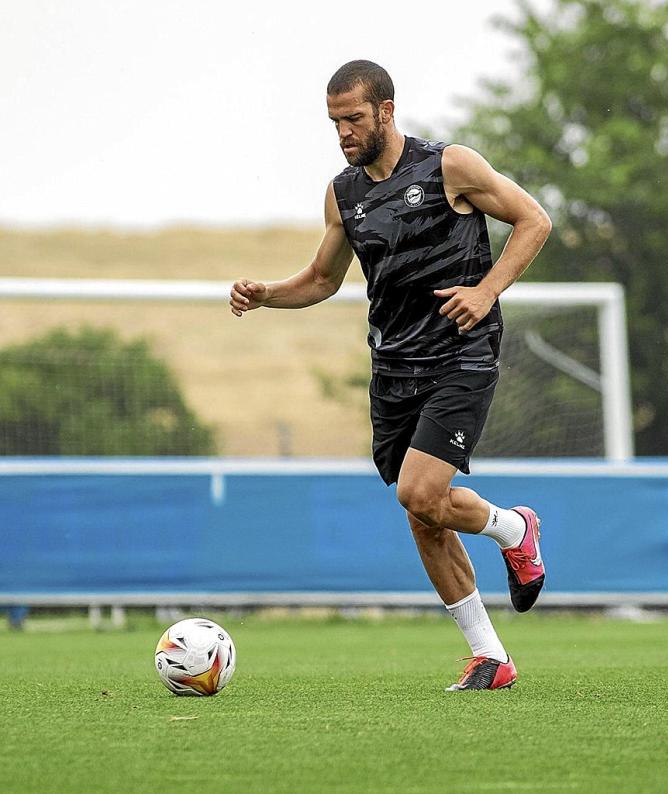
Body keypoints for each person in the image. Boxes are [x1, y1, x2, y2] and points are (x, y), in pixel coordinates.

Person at [230, 60, 551, 691]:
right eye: (334, 122)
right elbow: (323, 279)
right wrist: (268, 293)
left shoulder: (449, 166)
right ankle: (491, 655)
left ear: (386, 110)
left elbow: (534, 220)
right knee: (421, 512)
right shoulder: (343, 194)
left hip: (462, 352)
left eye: (353, 118)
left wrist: (486, 291)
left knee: (419, 493)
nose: (343, 132)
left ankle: (516, 528)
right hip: (393, 367)